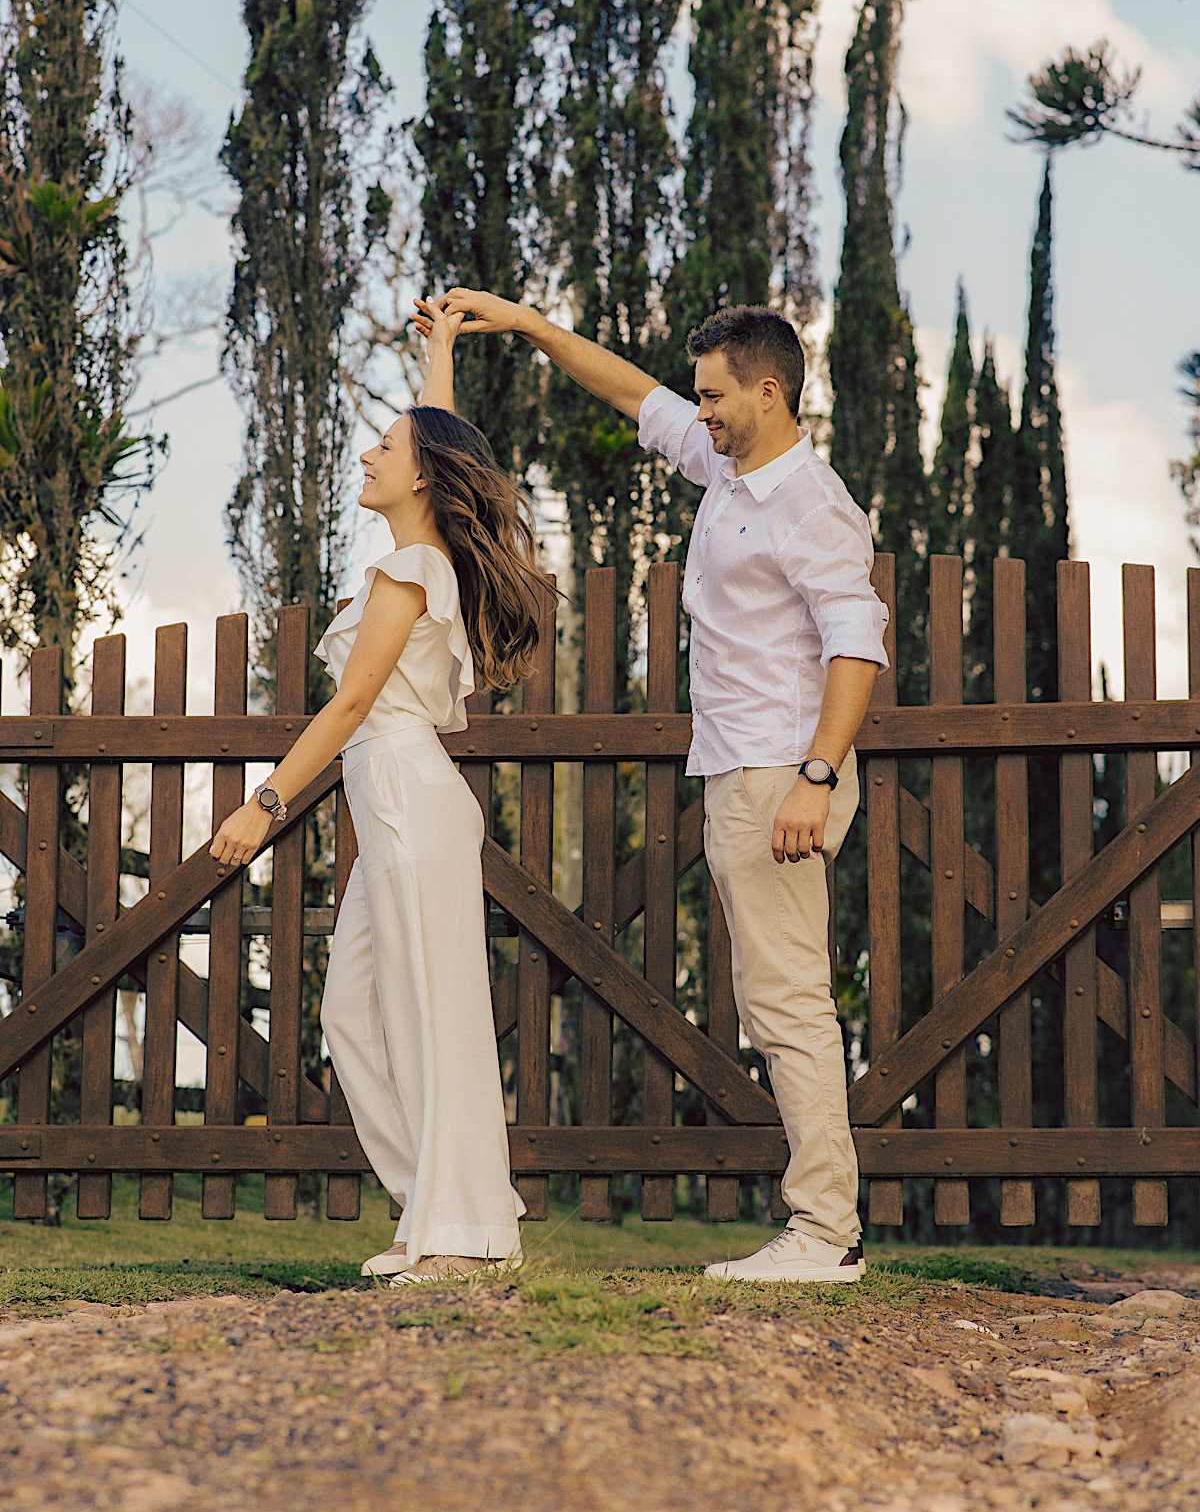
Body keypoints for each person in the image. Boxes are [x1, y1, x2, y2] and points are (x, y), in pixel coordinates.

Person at [421, 289, 888, 1284]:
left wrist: (815, 776)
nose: (701, 410)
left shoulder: (811, 505)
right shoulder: (728, 467)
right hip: (745, 771)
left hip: (779, 774)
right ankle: (824, 1227)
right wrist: (533, 327)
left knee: (789, 1004)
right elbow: (634, 395)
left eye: (717, 396)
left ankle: (824, 1234)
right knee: (773, 1003)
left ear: (770, 392)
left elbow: (858, 647)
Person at [210, 300, 548, 1285]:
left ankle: (467, 1232)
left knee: (428, 1010)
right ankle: (439, 1209)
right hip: (396, 801)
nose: (367, 455)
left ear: (422, 477)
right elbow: (440, 444)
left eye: (383, 447)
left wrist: (264, 803)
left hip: (405, 794)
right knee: (357, 1015)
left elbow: (355, 700)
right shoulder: (419, 550)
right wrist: (438, 354)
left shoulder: (410, 569)